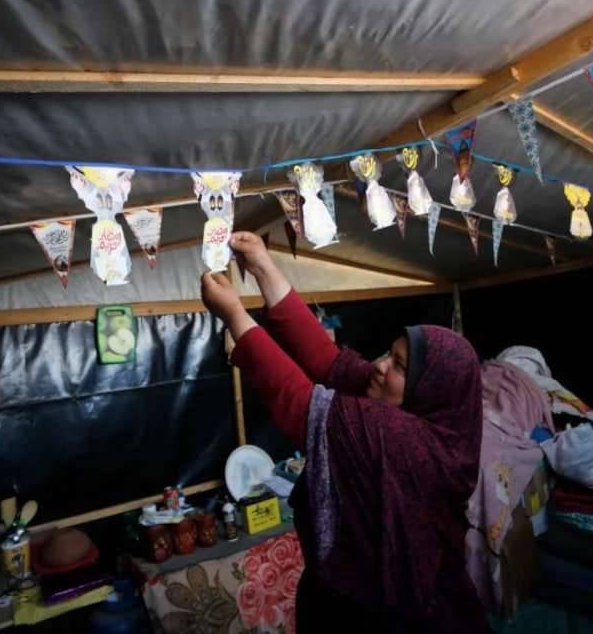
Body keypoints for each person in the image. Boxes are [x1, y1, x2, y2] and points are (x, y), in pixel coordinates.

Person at [201, 232, 488, 633]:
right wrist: (263, 266)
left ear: (429, 390)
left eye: (400, 366)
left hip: (383, 613)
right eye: (390, 352)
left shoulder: (407, 442)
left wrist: (234, 315)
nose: (381, 365)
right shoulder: (425, 415)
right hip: (346, 594)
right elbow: (329, 361)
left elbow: (301, 404)